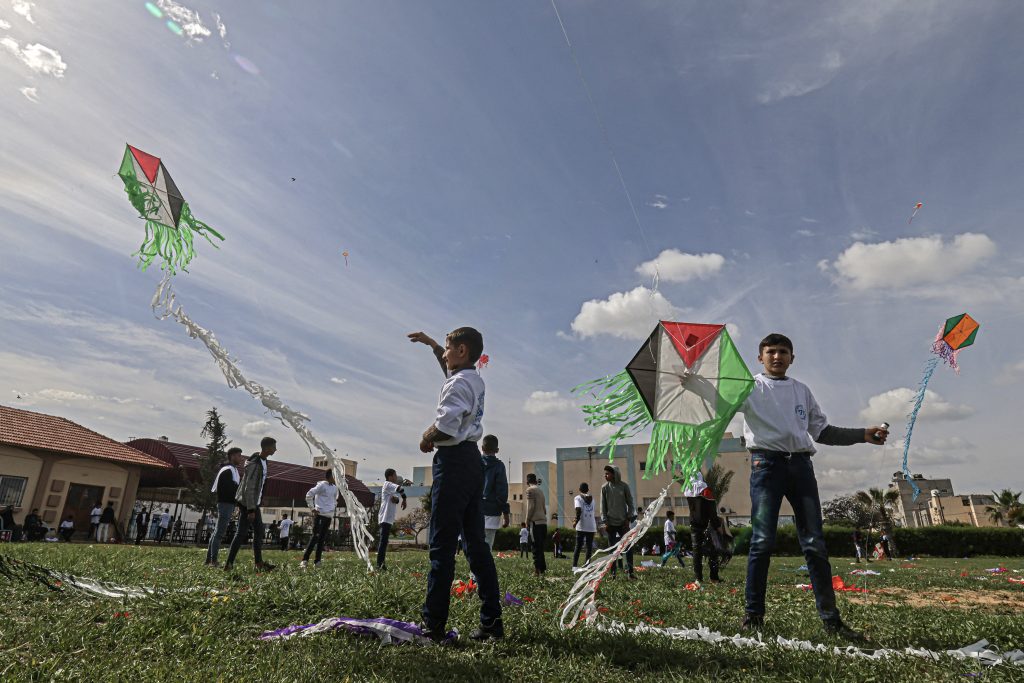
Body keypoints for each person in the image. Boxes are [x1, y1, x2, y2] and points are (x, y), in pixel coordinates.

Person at [740, 333, 888, 639]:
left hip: (801, 466)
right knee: (762, 541)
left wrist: (863, 434)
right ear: (760, 358)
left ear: (792, 358)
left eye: (783, 352)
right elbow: (715, 404)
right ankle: (753, 617)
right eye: (771, 352)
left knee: (814, 544)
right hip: (766, 465)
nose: (777, 357)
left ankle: (831, 621)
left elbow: (822, 431)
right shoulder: (749, 388)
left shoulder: (801, 390)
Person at [408, 328, 502, 641]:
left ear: (462, 350)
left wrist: (425, 437)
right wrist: (434, 345)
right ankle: (491, 623)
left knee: (442, 546)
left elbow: (446, 427)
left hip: (453, 463)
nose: (445, 354)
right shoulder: (473, 379)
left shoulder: (458, 383)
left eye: (449, 348)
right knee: (476, 545)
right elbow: (449, 372)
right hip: (472, 463)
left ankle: (432, 626)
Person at [225, 436, 278, 572]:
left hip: (254, 503)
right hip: (248, 504)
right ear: (266, 448)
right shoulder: (255, 464)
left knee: (259, 532)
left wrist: (261, 497)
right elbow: (249, 487)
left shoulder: (264, 462)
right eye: (273, 447)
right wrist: (251, 510)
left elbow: (261, 483)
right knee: (241, 533)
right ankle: (229, 564)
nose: (275, 449)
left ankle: (258, 563)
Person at [206, 448, 244, 565]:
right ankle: (213, 560)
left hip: (228, 504)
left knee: (217, 532)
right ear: (232, 456)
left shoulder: (233, 470)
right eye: (238, 456)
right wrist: (237, 499)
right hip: (226, 504)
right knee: (219, 533)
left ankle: (209, 560)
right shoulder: (228, 470)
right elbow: (227, 490)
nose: (240, 458)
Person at [684, 472, 721, 582]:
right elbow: (712, 511)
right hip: (707, 524)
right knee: (713, 552)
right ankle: (714, 577)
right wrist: (717, 525)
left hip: (694, 524)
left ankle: (698, 578)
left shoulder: (688, 490)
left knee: (696, 552)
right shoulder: (705, 491)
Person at [600, 464, 636, 579]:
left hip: (623, 523)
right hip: (611, 524)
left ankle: (630, 572)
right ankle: (613, 573)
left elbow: (630, 503)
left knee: (628, 547)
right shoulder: (604, 488)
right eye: (605, 473)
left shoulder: (624, 486)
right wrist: (605, 521)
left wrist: (628, 518)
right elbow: (603, 506)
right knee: (612, 550)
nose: (605, 475)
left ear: (614, 474)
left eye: (608, 473)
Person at [302, 468, 339, 568]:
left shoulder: (335, 488)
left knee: (322, 539)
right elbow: (309, 494)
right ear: (330, 476)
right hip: (320, 515)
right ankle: (304, 560)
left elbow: (335, 499)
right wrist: (312, 508)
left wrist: (332, 507)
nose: (336, 477)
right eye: (335, 475)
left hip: (328, 517)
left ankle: (317, 561)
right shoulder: (322, 485)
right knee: (315, 537)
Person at [480, 435, 510, 550]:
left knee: (475, 543)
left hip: (475, 509)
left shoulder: (475, 463)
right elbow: (501, 492)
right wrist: (506, 513)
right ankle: (484, 567)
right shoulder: (499, 466)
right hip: (492, 511)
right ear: (497, 450)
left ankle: (474, 568)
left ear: (482, 448)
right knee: (487, 544)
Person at [376, 468, 408, 570]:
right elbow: (400, 489)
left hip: (388, 518)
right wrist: (404, 499)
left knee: (384, 542)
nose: (396, 477)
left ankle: (381, 564)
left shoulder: (389, 488)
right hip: (385, 517)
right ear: (390, 476)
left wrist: (398, 499)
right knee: (383, 541)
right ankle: (380, 565)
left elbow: (395, 499)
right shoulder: (387, 484)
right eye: (395, 475)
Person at [525, 473, 547, 576]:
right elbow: (544, 509)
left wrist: (527, 520)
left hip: (535, 523)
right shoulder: (541, 491)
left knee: (535, 547)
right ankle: (542, 569)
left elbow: (531, 507)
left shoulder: (530, 490)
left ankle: (537, 570)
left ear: (527, 482)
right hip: (543, 522)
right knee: (541, 547)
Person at [572, 482, 597, 568]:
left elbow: (578, 509)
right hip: (591, 525)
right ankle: (587, 566)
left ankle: (574, 566)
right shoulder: (593, 499)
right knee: (589, 547)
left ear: (579, 490)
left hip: (582, 525)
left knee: (578, 546)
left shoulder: (577, 498)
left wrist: (575, 521)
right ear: (588, 490)